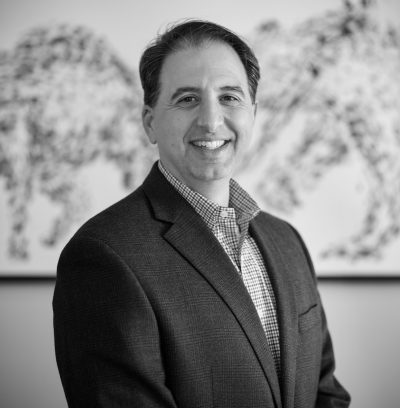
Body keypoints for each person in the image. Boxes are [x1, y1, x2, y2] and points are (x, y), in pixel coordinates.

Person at [53, 20, 351, 408]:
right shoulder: (102, 256)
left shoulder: (287, 241)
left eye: (229, 97)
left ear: (253, 113)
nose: (211, 121)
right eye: (187, 99)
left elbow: (326, 392)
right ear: (150, 123)